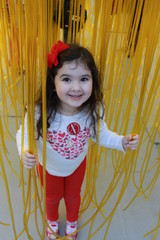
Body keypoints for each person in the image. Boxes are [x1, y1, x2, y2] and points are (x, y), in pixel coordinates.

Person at [16, 40, 139, 240]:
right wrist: (24, 150)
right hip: (48, 167)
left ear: (93, 80)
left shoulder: (93, 110)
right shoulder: (40, 110)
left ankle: (72, 221)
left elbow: (101, 134)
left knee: (74, 197)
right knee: (51, 198)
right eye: (66, 79)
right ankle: (52, 221)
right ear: (53, 83)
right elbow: (23, 133)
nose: (76, 87)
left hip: (77, 166)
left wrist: (121, 141)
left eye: (84, 79)